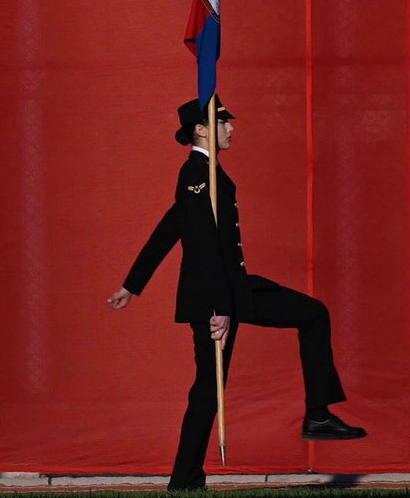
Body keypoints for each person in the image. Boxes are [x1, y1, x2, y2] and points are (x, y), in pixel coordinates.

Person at [107, 98, 366, 489]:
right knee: (208, 392)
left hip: (235, 289)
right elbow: (204, 246)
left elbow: (168, 227)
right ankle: (184, 481)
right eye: (223, 121)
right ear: (201, 129)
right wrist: (219, 308)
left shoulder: (207, 172)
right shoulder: (197, 173)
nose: (231, 128)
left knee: (313, 313)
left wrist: (132, 284)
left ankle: (317, 414)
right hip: (216, 300)